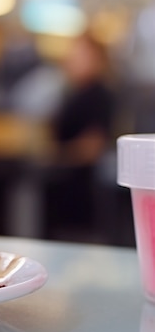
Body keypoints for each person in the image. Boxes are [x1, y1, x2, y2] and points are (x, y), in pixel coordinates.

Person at [44, 33, 115, 239]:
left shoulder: (99, 95)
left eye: (81, 54)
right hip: (64, 190)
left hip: (82, 189)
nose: (73, 59)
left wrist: (55, 156)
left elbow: (93, 147)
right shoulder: (72, 92)